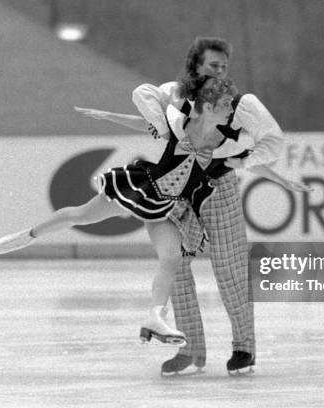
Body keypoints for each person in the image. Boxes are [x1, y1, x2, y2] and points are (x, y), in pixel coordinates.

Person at [0, 76, 306, 353]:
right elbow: (144, 121)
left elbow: (254, 162)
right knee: (80, 215)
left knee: (170, 259)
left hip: (166, 209)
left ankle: (156, 318)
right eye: (225, 104)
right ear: (207, 107)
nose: (231, 110)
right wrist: (108, 116)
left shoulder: (225, 144)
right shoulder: (177, 126)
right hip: (142, 190)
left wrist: (282, 181)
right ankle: (28, 235)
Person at [83, 36, 289, 375]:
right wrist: (163, 125)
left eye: (224, 66)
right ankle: (191, 351)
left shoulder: (238, 103)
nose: (220, 71)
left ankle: (244, 348)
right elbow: (144, 98)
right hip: (181, 195)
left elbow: (272, 140)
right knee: (176, 266)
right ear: (195, 65)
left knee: (230, 271)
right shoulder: (174, 95)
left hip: (219, 190)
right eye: (213, 65)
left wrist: (240, 161)